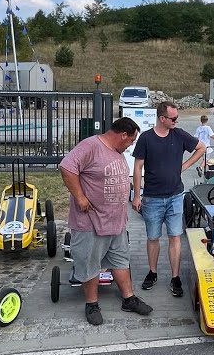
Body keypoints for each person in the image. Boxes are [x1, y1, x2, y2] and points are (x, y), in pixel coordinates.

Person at [60, 117, 153, 325]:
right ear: (123, 135)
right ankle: (91, 304)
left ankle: (128, 299)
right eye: (130, 141)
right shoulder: (91, 146)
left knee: (120, 261)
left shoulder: (117, 152)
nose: (130, 146)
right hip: (91, 222)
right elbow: (67, 167)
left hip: (115, 221)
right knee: (90, 264)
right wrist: (80, 197)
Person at [132, 101, 205, 298]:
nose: (176, 121)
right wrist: (137, 195)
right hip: (152, 197)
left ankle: (175, 277)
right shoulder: (146, 138)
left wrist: (185, 166)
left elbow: (201, 148)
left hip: (175, 196)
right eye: (173, 118)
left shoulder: (179, 135)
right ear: (162, 118)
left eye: (177, 118)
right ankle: (152, 272)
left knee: (175, 236)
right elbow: (138, 167)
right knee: (153, 237)